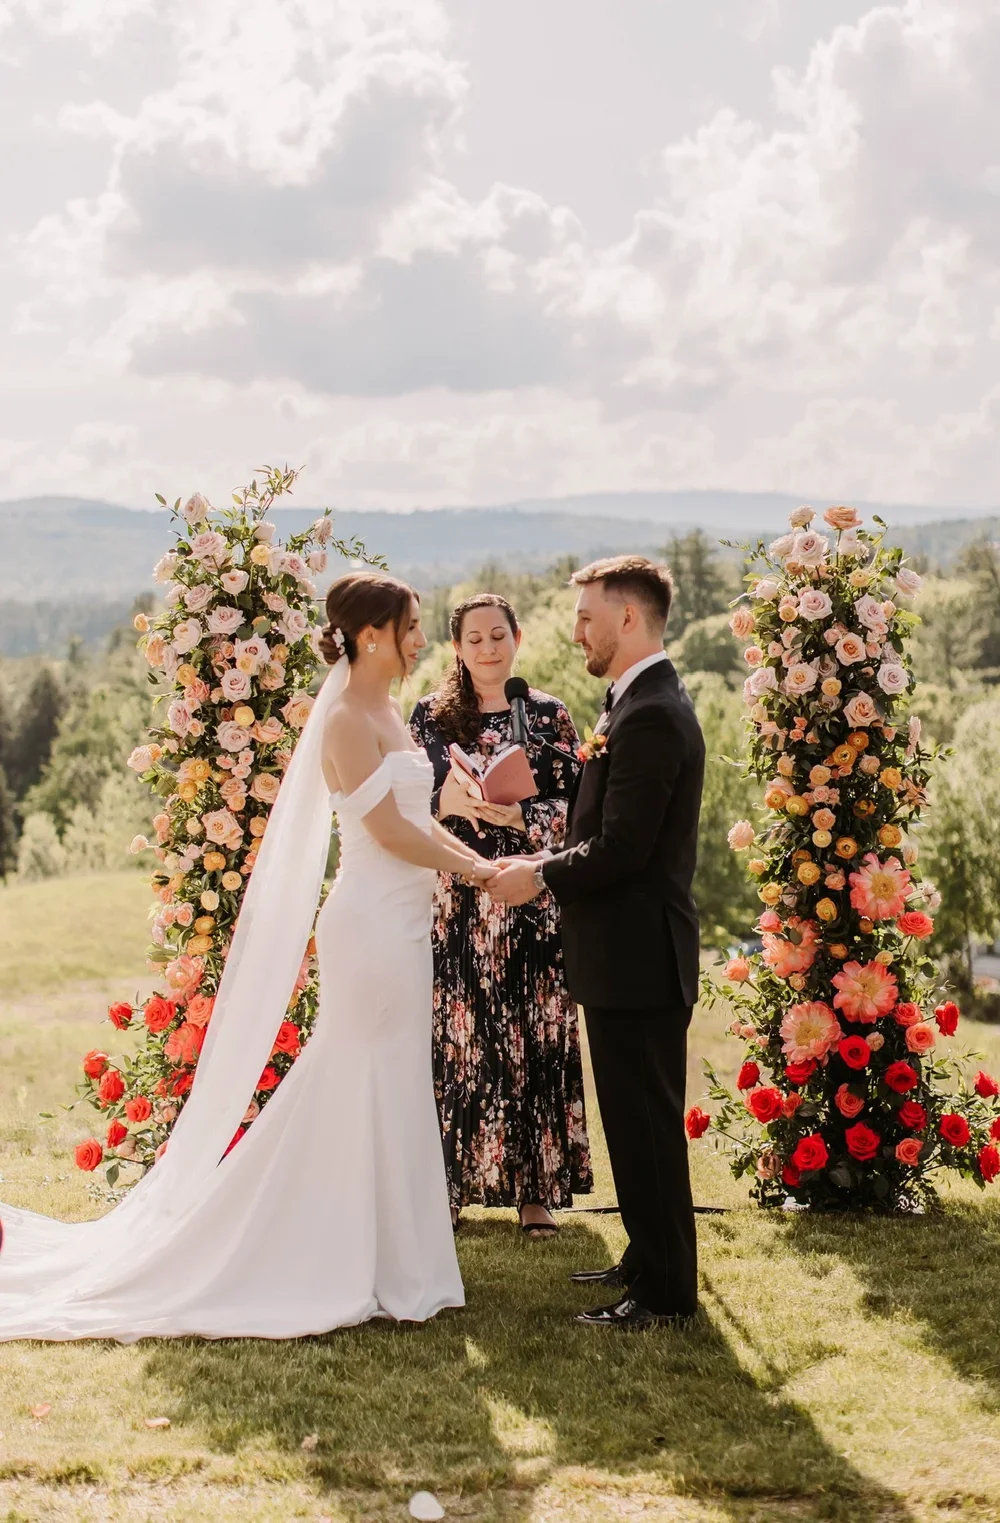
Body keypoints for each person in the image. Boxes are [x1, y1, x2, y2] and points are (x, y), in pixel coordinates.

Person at [0, 571, 494, 1341]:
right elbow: (392, 837)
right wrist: (481, 870)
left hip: (403, 921)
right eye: (412, 625)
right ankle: (325, 1250)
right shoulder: (342, 722)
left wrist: (473, 852)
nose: (422, 639)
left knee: (394, 1075)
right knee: (353, 1072)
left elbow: (416, 818)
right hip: (368, 922)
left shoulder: (389, 707)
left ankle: (400, 1264)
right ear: (372, 634)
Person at [489, 556, 705, 1330]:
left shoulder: (649, 713)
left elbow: (623, 849)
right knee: (633, 1122)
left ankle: (664, 1294)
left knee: (646, 1126)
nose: (576, 629)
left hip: (640, 957)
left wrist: (538, 875)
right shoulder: (633, 702)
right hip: (624, 957)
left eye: (586, 616)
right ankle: (648, 1258)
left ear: (628, 619)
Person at [409, 594, 592, 1238]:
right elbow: (407, 806)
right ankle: (449, 1185)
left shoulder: (549, 715)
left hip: (531, 896)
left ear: (517, 638)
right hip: (458, 894)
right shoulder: (430, 718)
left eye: (498, 636)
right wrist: (454, 805)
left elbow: (582, 813)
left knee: (535, 1034)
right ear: (456, 648)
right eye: (474, 639)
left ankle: (535, 1192)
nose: (488, 648)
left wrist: (521, 817)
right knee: (459, 1041)